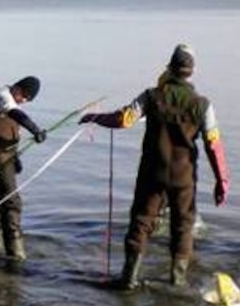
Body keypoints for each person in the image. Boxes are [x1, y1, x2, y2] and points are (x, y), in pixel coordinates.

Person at [79, 45, 229, 288]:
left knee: (141, 220)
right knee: (183, 226)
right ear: (191, 72)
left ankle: (129, 277)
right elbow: (214, 145)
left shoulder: (151, 96)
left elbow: (123, 119)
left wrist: (95, 117)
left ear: (169, 68)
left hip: (152, 172)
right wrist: (222, 180)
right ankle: (177, 280)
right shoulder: (203, 105)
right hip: (184, 176)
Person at [0, 76, 47, 262]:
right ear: (18, 88)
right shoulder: (1, 97)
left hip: (2, 158)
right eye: (25, 96)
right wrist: (35, 129)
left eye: (27, 100)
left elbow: (12, 129)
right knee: (12, 202)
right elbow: (16, 115)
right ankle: (16, 255)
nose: (24, 101)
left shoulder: (12, 101)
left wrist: (16, 158)